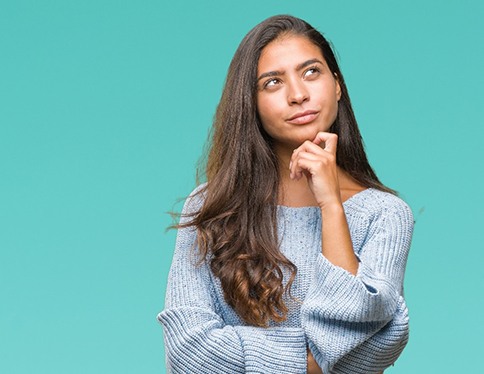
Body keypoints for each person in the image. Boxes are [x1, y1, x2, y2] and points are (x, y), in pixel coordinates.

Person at [158, 14, 413, 374]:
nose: (298, 95)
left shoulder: (385, 214)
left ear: (337, 85)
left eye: (311, 72)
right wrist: (313, 361)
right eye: (273, 82)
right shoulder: (210, 206)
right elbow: (189, 351)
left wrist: (331, 205)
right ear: (252, 103)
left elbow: (365, 341)